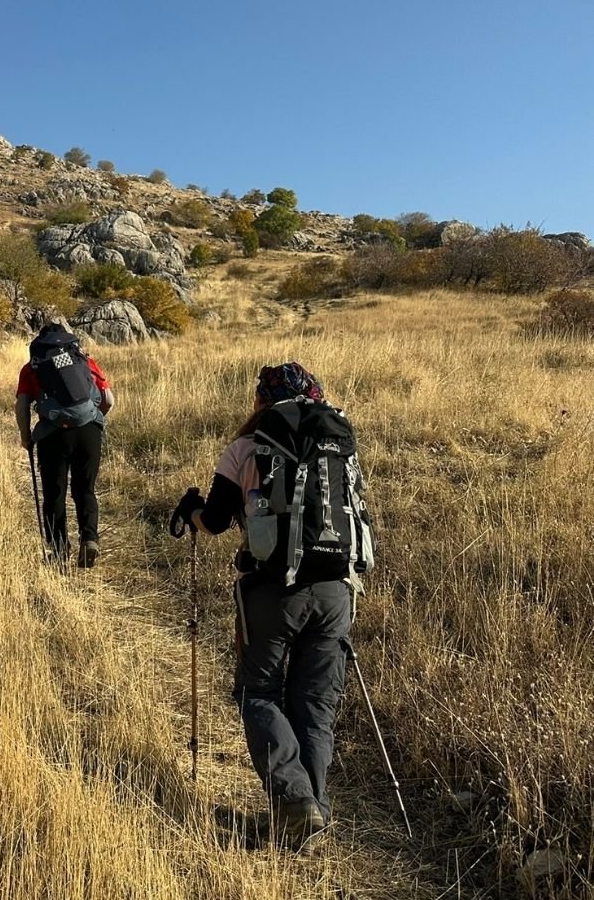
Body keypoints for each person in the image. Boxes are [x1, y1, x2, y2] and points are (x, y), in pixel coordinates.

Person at [171, 362, 374, 850]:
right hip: (336, 589)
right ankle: (313, 811)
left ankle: (295, 802)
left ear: (262, 401)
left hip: (272, 590)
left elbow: (215, 521)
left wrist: (189, 510)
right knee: (315, 703)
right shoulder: (338, 446)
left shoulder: (245, 447)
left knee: (258, 693)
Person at [15, 322, 114, 568]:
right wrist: (94, 419)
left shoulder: (32, 367)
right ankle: (89, 539)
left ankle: (59, 550)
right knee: (85, 489)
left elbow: (22, 405)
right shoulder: (85, 361)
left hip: (52, 435)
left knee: (54, 493)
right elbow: (109, 400)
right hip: (88, 431)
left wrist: (26, 436)